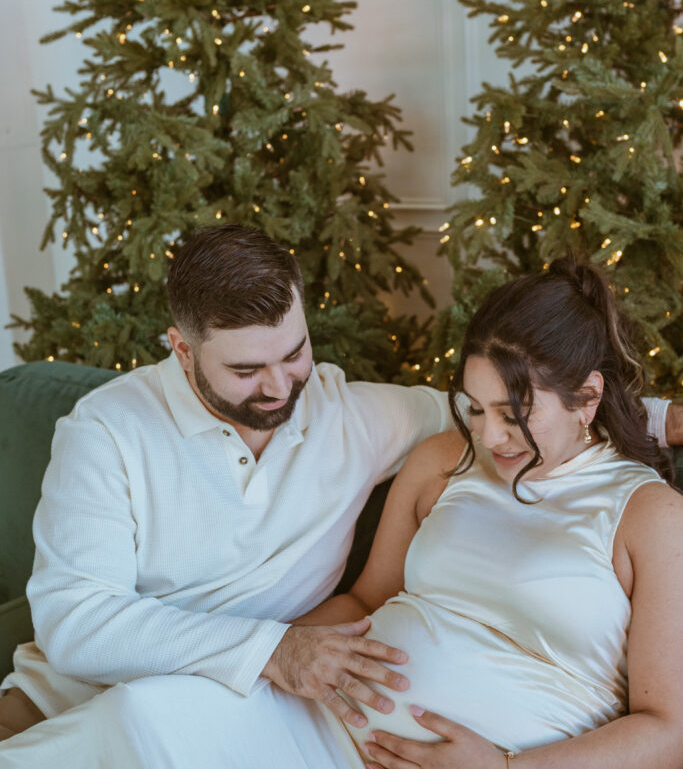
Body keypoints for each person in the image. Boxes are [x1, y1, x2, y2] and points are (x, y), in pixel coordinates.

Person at [0, 252, 681, 769]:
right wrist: (283, 660)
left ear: (586, 398)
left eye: (514, 416)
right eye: (476, 408)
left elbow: (668, 728)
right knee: (140, 721)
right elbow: (364, 600)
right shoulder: (445, 458)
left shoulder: (647, 518)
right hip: (316, 728)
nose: (492, 437)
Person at [0, 225, 678, 741]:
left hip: (232, 715)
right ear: (181, 348)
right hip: (65, 706)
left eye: (293, 353)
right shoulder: (108, 429)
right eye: (244, 371)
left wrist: (656, 416)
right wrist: (273, 649)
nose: (277, 386)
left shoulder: (349, 413)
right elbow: (77, 625)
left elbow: (508, 409)